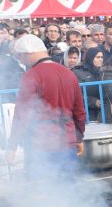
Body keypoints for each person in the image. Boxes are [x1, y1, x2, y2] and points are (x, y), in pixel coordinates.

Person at [6, 35, 87, 176]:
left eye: (21, 56)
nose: (21, 60)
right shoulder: (69, 74)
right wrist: (78, 137)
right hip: (67, 141)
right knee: (69, 189)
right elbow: (79, 111)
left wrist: (12, 146)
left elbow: (21, 115)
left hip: (41, 145)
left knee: (43, 192)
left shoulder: (31, 76)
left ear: (29, 53)